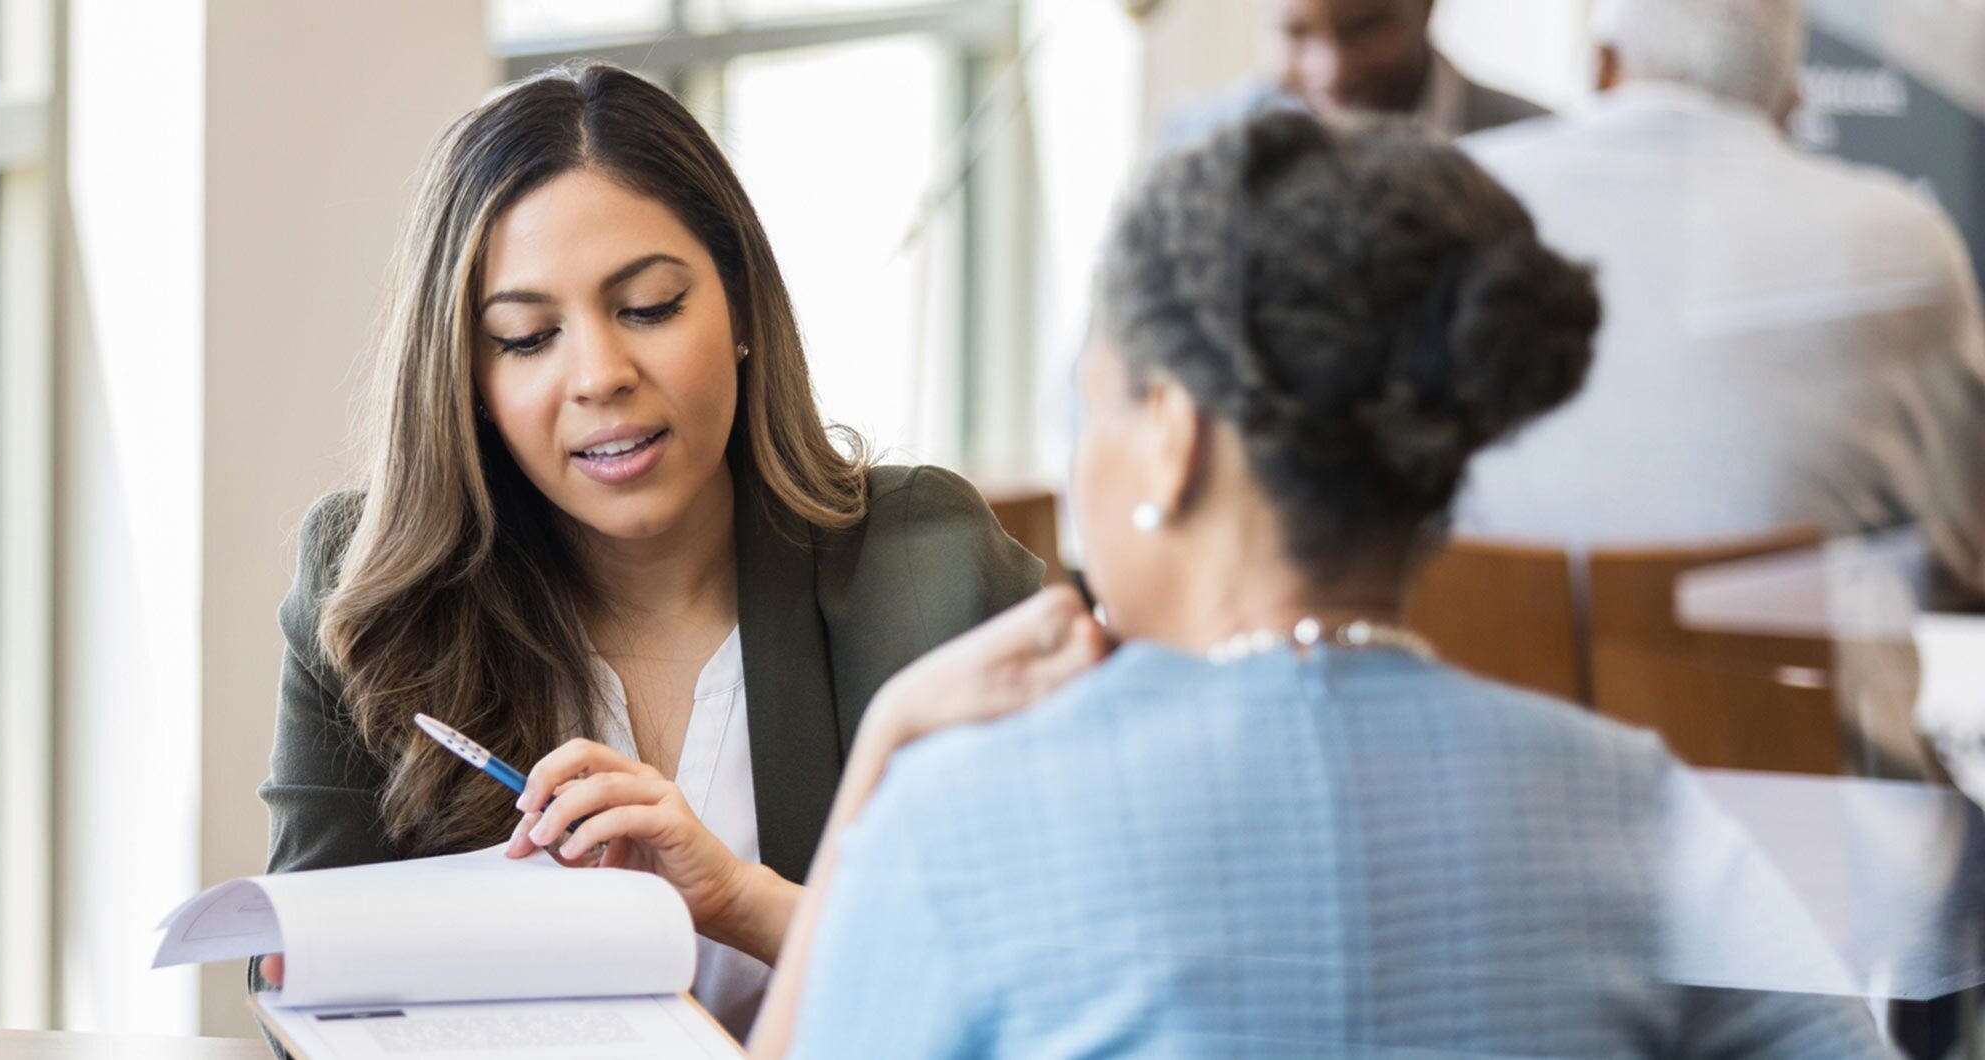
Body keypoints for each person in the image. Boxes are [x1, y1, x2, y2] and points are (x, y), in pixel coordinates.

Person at [751, 112, 1892, 1057]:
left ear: (1169, 436)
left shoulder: (959, 818)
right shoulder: (1633, 805)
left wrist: (882, 763)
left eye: (1092, 407)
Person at [256, 62, 1043, 1038]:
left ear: (744, 305)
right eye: (526, 336)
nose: (598, 375)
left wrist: (738, 900)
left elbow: (1052, 972)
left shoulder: (924, 565)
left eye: (648, 307)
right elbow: (303, 990)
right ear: (464, 376)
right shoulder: (367, 583)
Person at [1455, 0, 1985, 591]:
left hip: (1484, 660)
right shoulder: (1906, 239)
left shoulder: (1460, 196)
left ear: (1602, 67)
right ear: (1791, 102)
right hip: (1785, 676)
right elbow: (1967, 533)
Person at [1159, 0, 1546, 149]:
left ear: (1427, 7)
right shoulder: (1196, 142)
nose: (1332, 71)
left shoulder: (1537, 141)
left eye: (1365, 28)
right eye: (1295, 34)